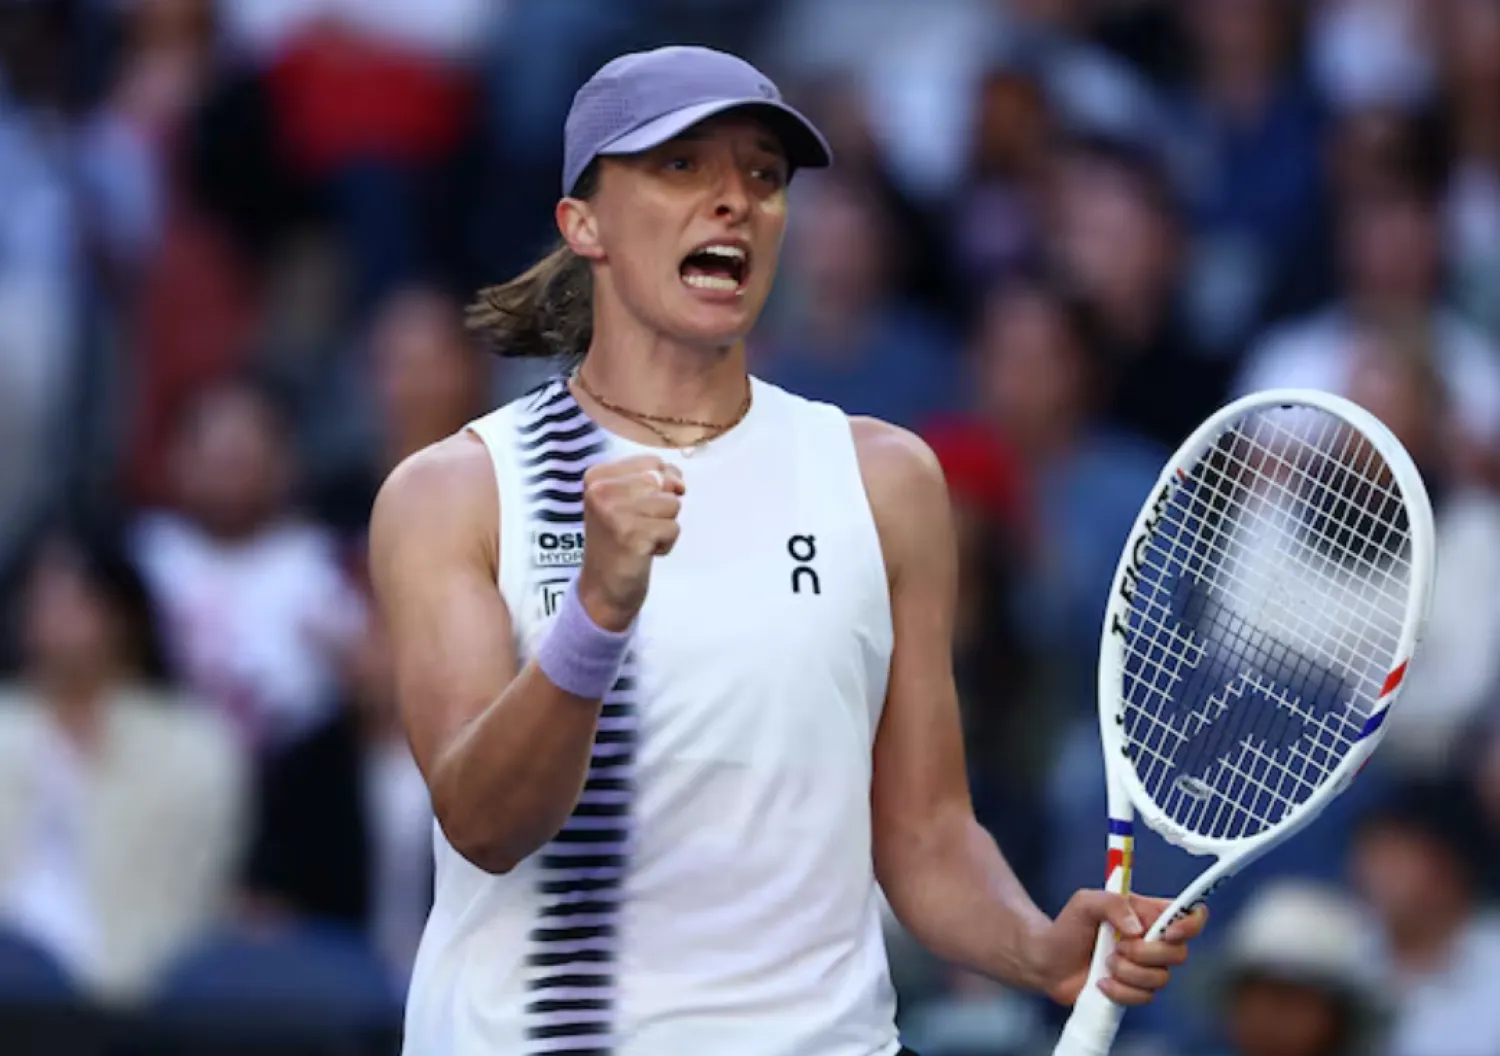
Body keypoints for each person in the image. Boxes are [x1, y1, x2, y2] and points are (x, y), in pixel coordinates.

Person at [369, 45, 1207, 1056]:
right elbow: (482, 822)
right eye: (681, 167)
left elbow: (928, 832)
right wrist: (596, 612)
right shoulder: (455, 491)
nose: (734, 200)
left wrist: (1037, 948)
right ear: (581, 224)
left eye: (762, 175)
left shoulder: (886, 479)